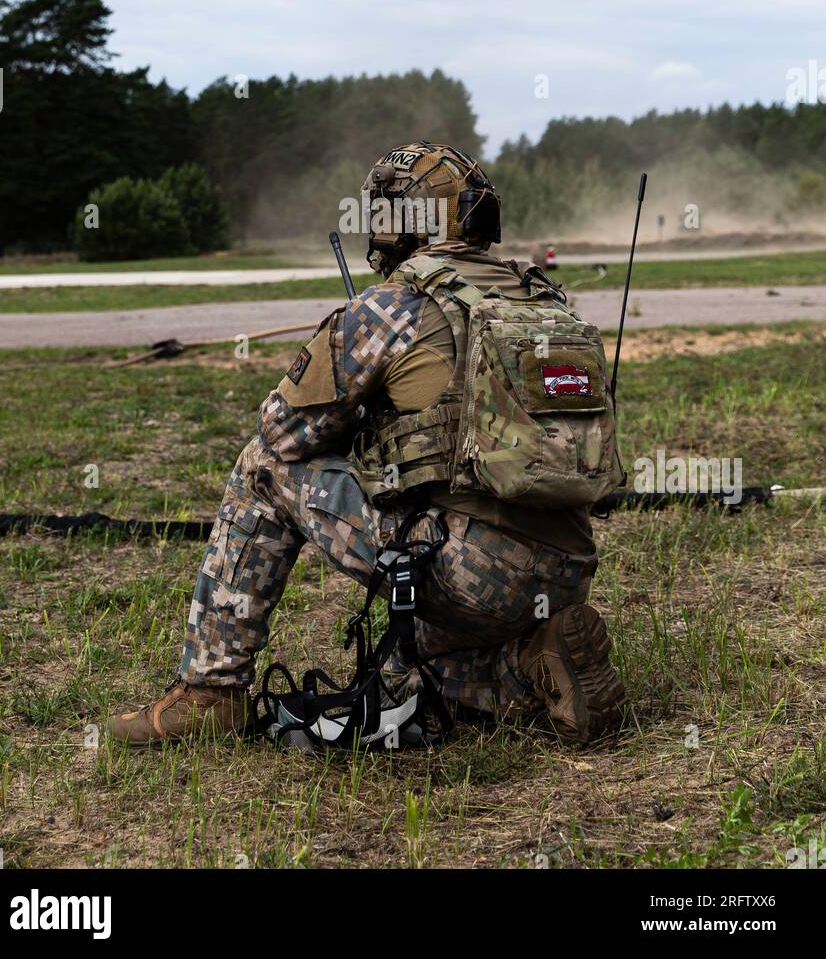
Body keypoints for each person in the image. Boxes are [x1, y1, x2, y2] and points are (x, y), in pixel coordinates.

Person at [109, 144, 625, 748]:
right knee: (403, 675)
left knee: (262, 468)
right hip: (566, 571)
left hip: (470, 571)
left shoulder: (392, 306)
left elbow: (282, 432)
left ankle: (211, 691)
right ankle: (535, 663)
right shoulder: (543, 299)